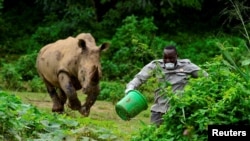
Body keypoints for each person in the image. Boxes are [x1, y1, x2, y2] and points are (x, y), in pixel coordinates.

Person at [125, 45, 208, 126]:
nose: (168, 60)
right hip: (159, 110)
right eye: (165, 58)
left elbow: (206, 77)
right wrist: (130, 88)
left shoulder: (187, 66)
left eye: (171, 58)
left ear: (177, 56)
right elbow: (139, 78)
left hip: (178, 110)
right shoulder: (156, 65)